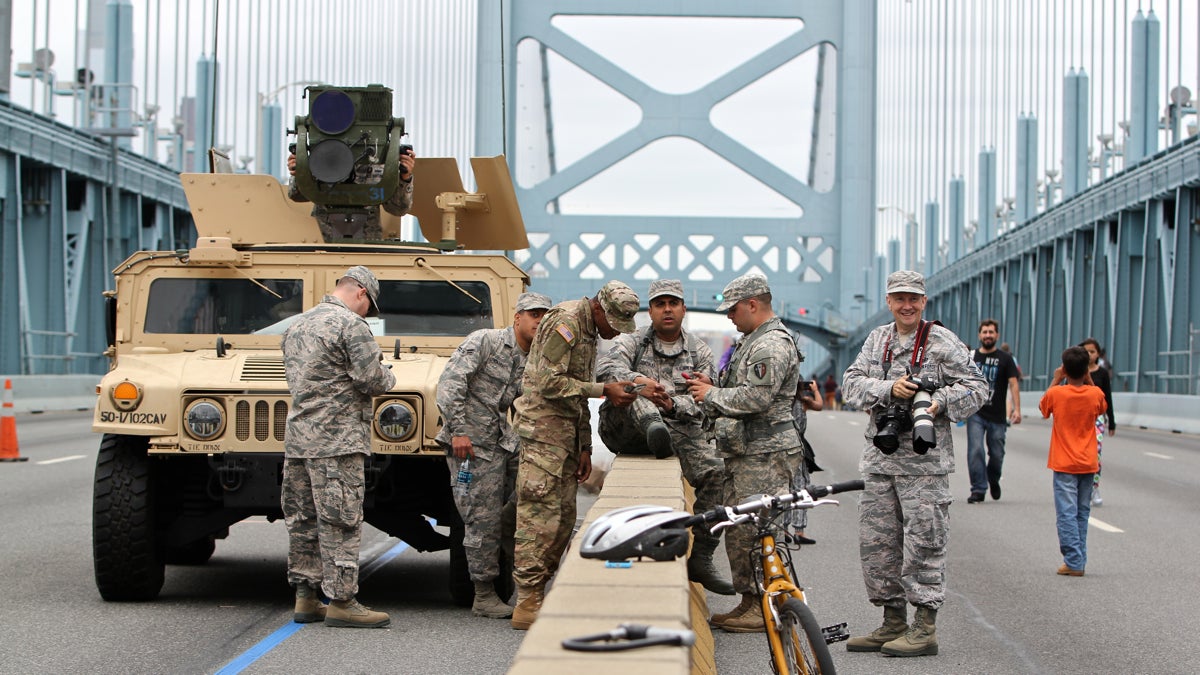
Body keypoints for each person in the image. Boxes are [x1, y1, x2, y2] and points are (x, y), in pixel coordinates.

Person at [841, 270, 988, 657]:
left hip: (925, 466)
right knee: (878, 547)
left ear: (924, 302)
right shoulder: (878, 340)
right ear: (888, 301)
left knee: (924, 544)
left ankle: (924, 628)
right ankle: (892, 622)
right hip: (879, 459)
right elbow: (851, 384)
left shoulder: (941, 340)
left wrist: (937, 402)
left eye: (914, 299)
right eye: (899, 298)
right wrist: (888, 388)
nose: (907, 305)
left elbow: (978, 387)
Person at [509, 281, 641, 630]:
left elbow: (575, 393)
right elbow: (547, 383)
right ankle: (527, 599)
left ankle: (541, 591)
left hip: (566, 437)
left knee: (565, 517)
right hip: (542, 435)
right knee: (539, 517)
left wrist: (584, 445)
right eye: (613, 323)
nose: (615, 332)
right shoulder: (564, 323)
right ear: (599, 308)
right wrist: (604, 390)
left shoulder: (588, 329)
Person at [595, 279, 734, 595]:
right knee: (634, 393)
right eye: (660, 304)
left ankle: (700, 558)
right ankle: (652, 423)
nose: (667, 309)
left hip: (676, 428)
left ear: (683, 309)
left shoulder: (699, 351)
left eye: (673, 303)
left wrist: (671, 402)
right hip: (626, 428)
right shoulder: (632, 340)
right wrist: (640, 382)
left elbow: (705, 403)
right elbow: (607, 368)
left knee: (718, 473)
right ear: (651, 310)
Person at [281, 266, 397, 628]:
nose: (368, 314)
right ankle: (343, 601)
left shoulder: (296, 326)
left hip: (299, 441)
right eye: (369, 306)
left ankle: (305, 597)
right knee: (341, 521)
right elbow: (372, 380)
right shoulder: (350, 326)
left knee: (303, 520)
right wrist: (388, 372)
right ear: (360, 292)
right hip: (337, 441)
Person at [686, 273, 802, 633]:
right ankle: (752, 601)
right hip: (748, 453)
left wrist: (711, 396)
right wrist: (713, 386)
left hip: (765, 455)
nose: (729, 317)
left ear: (753, 305)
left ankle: (764, 602)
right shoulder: (753, 341)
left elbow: (757, 398)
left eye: (733, 309)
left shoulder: (769, 345)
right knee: (742, 530)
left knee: (758, 531)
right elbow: (744, 387)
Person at [436, 292, 553, 619]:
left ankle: (525, 581)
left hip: (500, 440)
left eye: (545, 314)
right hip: (470, 445)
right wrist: (458, 431)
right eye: (533, 314)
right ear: (517, 318)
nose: (539, 320)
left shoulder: (532, 357)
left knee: (524, 504)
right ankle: (484, 594)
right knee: (480, 518)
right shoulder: (485, 341)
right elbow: (450, 383)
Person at [1039, 346, 1107, 576]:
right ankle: (1078, 559)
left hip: (1064, 462)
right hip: (1088, 462)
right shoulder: (1094, 394)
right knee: (1081, 512)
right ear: (1086, 369)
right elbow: (1102, 407)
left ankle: (1074, 560)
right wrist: (1088, 377)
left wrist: (1057, 379)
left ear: (1065, 369)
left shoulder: (1057, 394)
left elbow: (1043, 408)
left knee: (1066, 513)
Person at [287, 146, 416, 241]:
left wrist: (404, 177)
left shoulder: (378, 160)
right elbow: (297, 195)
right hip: (322, 243)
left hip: (367, 246)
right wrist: (301, 171)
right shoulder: (320, 156)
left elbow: (398, 208)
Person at [965, 319, 1022, 503]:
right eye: (985, 332)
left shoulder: (1005, 358)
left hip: (997, 415)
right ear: (979, 335)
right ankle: (978, 489)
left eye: (991, 332)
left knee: (997, 454)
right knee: (976, 450)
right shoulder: (971, 357)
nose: (988, 335)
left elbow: (1013, 384)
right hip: (976, 412)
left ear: (997, 335)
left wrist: (1016, 410)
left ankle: (993, 478)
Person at [1079, 338, 1116, 506]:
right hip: (1078, 419)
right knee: (1078, 454)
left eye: (1092, 351)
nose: (1089, 354)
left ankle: (1094, 487)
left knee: (1096, 454)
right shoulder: (1075, 371)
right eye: (1086, 351)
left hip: (1097, 419)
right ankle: (1079, 487)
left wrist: (1112, 422)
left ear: (1098, 354)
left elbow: (1107, 397)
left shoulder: (1102, 373)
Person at [787, 373, 824, 543]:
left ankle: (784, 530)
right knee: (801, 487)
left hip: (782, 448)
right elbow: (819, 405)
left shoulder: (782, 403)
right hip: (798, 449)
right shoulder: (803, 402)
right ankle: (799, 532)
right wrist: (815, 390)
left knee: (784, 489)